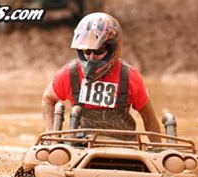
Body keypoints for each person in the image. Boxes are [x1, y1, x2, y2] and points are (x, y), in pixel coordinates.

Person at [41, 12, 162, 142]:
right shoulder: (69, 74)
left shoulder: (130, 77)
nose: (91, 57)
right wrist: (51, 133)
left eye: (98, 51)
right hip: (83, 146)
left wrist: (157, 150)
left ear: (113, 48)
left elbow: (148, 118)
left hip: (124, 148)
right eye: (87, 51)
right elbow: (48, 98)